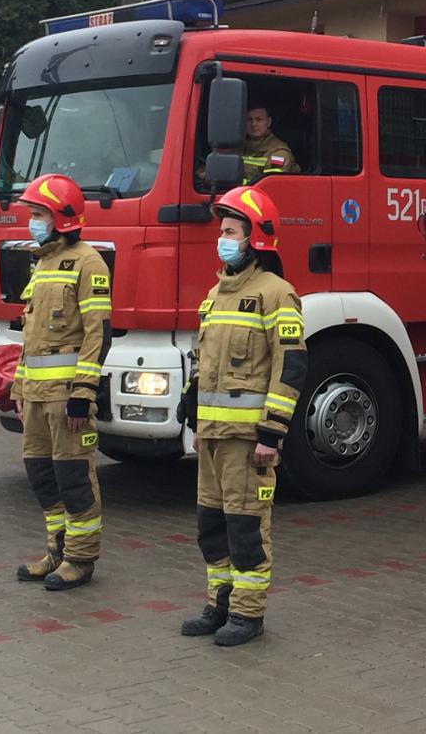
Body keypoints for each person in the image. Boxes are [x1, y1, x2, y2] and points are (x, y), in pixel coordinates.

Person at [179, 186, 306, 647]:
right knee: (211, 525)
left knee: (246, 525)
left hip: (249, 440)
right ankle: (221, 603)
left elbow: (290, 366)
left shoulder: (277, 294)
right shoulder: (215, 294)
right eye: (222, 231)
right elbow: (203, 363)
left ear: (257, 238)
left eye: (231, 231)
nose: (222, 239)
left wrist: (272, 433)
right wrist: (194, 417)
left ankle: (249, 614)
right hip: (213, 437)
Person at [10, 173, 113, 590]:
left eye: (38, 214)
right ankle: (57, 548)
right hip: (35, 395)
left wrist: (82, 394)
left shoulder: (89, 262)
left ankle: (81, 558)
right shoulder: (42, 263)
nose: (32, 222)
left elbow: (97, 333)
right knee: (41, 473)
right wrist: (18, 386)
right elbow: (29, 333)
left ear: (62, 217)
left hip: (66, 396)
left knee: (73, 477)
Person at [240, 105, 298, 183]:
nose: (253, 124)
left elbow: (272, 185)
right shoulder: (239, 146)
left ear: (269, 122)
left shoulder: (279, 153)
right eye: (249, 119)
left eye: (259, 119)